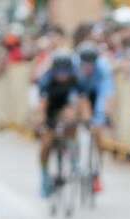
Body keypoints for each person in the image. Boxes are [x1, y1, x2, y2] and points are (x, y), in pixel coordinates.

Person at [35, 51, 82, 197]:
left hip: (65, 106)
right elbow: (42, 106)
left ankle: (73, 158)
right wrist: (42, 123)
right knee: (46, 143)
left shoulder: (75, 79)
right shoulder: (46, 80)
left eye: (65, 72)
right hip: (50, 109)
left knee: (71, 119)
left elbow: (78, 102)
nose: (62, 75)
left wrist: (77, 118)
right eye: (59, 72)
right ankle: (44, 175)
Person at [75, 43, 114, 194]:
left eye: (91, 65)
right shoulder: (74, 66)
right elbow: (73, 94)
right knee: (74, 118)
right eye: (85, 65)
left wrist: (104, 116)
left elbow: (107, 95)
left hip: (96, 95)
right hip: (80, 94)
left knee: (98, 131)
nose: (88, 68)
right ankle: (74, 155)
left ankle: (97, 170)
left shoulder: (103, 68)